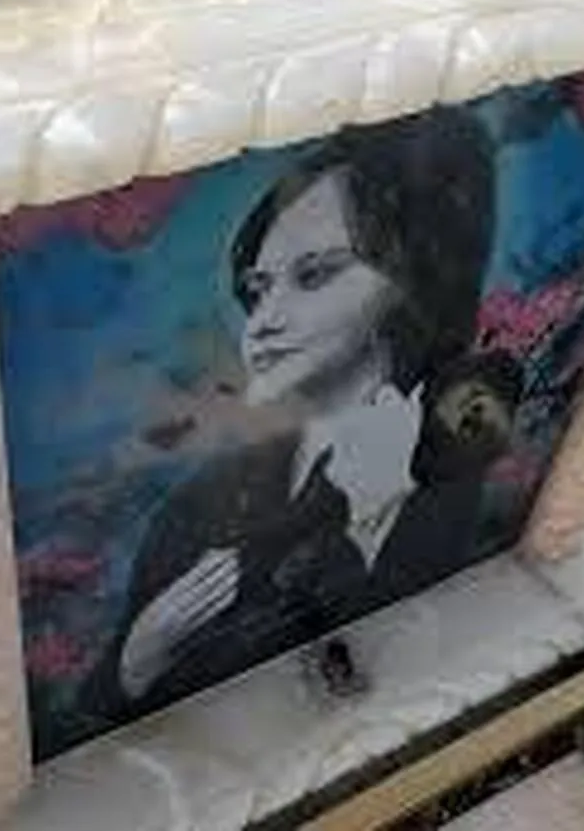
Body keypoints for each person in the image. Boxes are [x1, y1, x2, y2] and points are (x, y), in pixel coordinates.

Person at [83, 106, 519, 720]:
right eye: (258, 289)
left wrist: (369, 521)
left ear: (408, 279)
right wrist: (138, 660)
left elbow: (428, 622)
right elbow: (101, 711)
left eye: (314, 275)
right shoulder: (193, 509)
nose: (263, 323)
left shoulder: (463, 442)